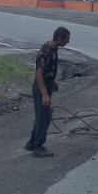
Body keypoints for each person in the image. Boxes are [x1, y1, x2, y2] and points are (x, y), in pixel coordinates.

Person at [25, 26, 70, 157]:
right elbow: (39, 74)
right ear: (59, 38)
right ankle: (38, 147)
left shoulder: (54, 47)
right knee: (44, 118)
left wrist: (53, 82)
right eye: (66, 39)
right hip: (41, 87)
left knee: (41, 116)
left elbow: (47, 69)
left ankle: (31, 143)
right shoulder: (45, 52)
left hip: (47, 84)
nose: (68, 42)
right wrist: (44, 94)